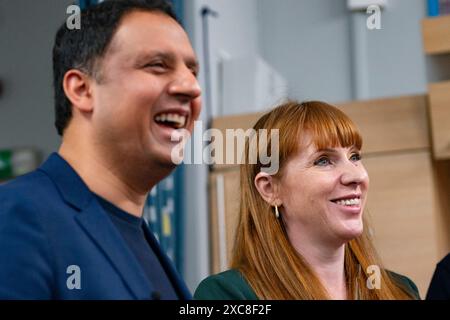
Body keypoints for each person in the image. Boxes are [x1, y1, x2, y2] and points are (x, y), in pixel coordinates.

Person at [0, 0, 201, 299]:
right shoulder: (17, 216)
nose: (191, 87)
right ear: (82, 90)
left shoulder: (145, 243)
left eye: (193, 71)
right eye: (157, 65)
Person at [195, 101, 419, 300]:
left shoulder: (401, 291)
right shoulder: (228, 294)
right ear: (270, 189)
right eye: (323, 161)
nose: (357, 176)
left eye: (355, 157)